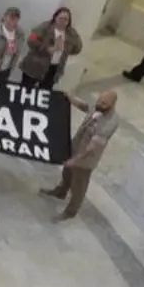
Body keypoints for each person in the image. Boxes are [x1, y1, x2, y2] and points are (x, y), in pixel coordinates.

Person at [41, 90, 119, 221]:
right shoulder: (98, 106)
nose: (99, 104)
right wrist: (71, 99)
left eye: (104, 103)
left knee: (78, 186)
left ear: (112, 104)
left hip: (85, 159)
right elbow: (86, 107)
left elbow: (92, 148)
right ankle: (61, 191)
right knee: (67, 172)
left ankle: (71, 211)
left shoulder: (109, 123)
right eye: (99, 100)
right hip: (75, 147)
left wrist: (75, 160)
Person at [21, 7, 82, 89]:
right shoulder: (44, 27)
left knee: (45, 91)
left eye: (66, 19)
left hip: (53, 69)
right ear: (55, 17)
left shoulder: (71, 33)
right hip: (35, 65)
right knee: (26, 89)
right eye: (61, 18)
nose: (63, 21)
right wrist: (47, 48)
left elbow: (78, 47)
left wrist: (65, 50)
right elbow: (31, 39)